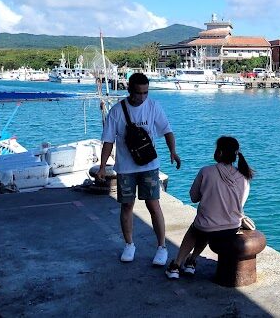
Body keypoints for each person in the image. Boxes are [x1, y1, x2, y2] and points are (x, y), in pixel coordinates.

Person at [98, 72, 181, 266]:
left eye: (146, 92)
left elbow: (167, 130)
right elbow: (108, 141)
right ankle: (129, 244)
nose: (142, 97)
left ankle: (161, 247)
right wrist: (102, 166)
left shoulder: (154, 106)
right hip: (126, 167)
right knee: (127, 206)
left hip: (149, 166)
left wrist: (173, 152)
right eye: (138, 93)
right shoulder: (117, 111)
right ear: (129, 90)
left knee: (154, 205)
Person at [165, 136, 253, 279]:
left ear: (219, 152)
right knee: (209, 224)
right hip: (231, 227)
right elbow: (240, 204)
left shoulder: (206, 171)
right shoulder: (244, 177)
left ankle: (176, 265)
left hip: (207, 226)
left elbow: (194, 197)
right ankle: (192, 261)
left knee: (199, 228)